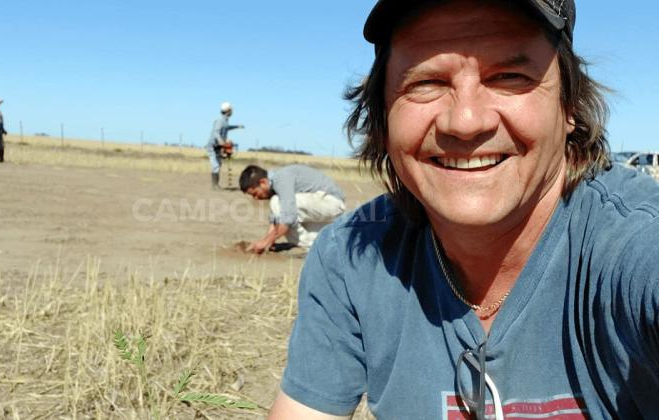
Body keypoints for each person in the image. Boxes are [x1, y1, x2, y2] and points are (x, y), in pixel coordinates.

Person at [268, 1, 659, 419]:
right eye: (427, 82)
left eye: (509, 77)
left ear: (570, 108)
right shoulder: (350, 257)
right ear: (382, 115)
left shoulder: (632, 246)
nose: (466, 121)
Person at [240, 164, 345, 253]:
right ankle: (319, 245)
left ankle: (310, 248)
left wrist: (266, 241)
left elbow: (288, 218)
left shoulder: (281, 179)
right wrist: (266, 242)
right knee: (280, 208)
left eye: (255, 194)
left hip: (332, 203)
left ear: (263, 182)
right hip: (323, 208)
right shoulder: (277, 184)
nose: (256, 198)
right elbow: (275, 222)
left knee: (281, 208)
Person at [206, 102, 244, 189]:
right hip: (212, 146)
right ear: (228, 111)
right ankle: (214, 186)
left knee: (218, 165)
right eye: (231, 110)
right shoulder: (220, 120)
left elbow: (227, 127)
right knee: (215, 165)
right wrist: (221, 142)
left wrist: (237, 126)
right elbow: (216, 132)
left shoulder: (225, 121)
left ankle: (216, 185)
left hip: (218, 146)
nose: (232, 112)